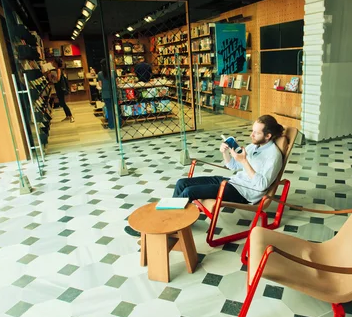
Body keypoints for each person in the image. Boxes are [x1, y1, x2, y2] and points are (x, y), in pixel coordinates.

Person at [124, 115, 284, 237]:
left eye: (256, 133)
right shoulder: (254, 146)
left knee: (190, 192)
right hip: (234, 182)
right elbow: (233, 166)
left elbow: (262, 185)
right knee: (182, 183)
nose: (251, 135)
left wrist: (245, 162)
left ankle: (164, 227)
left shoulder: (273, 156)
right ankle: (174, 221)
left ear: (268, 136)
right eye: (252, 131)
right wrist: (226, 153)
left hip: (245, 192)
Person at [48, 58, 74, 123]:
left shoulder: (58, 70)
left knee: (63, 103)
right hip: (58, 87)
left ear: (56, 63)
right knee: (62, 102)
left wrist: (53, 76)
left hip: (60, 88)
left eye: (53, 62)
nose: (52, 63)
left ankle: (71, 116)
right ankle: (67, 116)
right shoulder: (56, 70)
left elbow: (58, 79)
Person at [98, 59, 114, 129]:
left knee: (109, 109)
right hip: (113, 93)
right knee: (115, 109)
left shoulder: (100, 74)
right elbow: (116, 83)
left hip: (105, 93)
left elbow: (100, 85)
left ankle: (111, 125)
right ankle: (118, 123)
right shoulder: (113, 72)